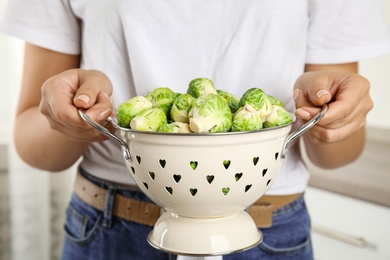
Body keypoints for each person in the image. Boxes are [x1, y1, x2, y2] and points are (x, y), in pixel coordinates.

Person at [1, 0, 389, 259]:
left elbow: (339, 152)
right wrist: (77, 116)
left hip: (268, 234)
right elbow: (33, 144)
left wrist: (330, 117)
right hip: (110, 230)